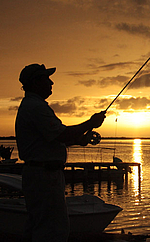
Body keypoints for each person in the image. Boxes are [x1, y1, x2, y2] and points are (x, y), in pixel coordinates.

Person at [15, 63, 106, 242]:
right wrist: (91, 122)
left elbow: (55, 138)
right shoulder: (36, 107)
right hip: (44, 176)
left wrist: (80, 140)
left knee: (38, 226)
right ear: (35, 82)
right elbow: (62, 134)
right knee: (54, 230)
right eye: (46, 79)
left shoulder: (34, 105)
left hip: (41, 174)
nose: (51, 83)